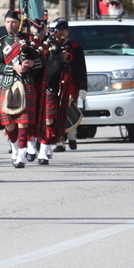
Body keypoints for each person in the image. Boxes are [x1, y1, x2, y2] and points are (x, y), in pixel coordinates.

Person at [0, 10, 45, 168]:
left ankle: (22, 154)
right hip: (8, 84)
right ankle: (15, 150)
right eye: (8, 22)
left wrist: (31, 64)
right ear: (4, 23)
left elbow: (42, 61)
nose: (11, 25)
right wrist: (13, 67)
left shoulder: (29, 41)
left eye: (14, 22)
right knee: (9, 122)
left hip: (26, 83)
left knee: (23, 122)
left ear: (19, 24)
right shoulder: (0, 43)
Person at [39, 20, 88, 163]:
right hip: (54, 83)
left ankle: (71, 136)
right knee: (56, 113)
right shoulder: (50, 46)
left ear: (68, 32)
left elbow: (81, 69)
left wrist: (83, 87)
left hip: (70, 84)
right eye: (58, 30)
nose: (61, 32)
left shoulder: (75, 47)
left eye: (64, 30)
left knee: (69, 111)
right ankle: (60, 141)